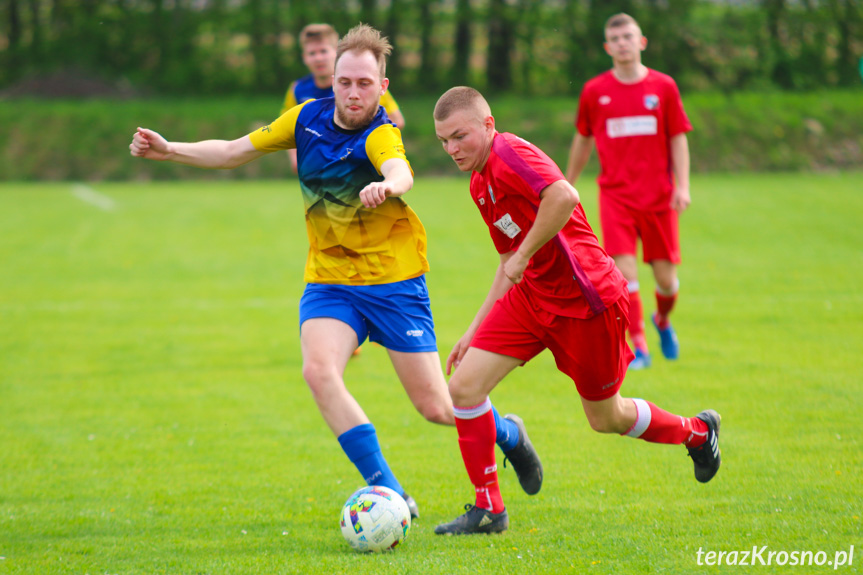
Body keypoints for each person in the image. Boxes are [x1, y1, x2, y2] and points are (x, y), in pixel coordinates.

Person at [129, 24, 541, 519]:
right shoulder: (305, 117)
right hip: (329, 281)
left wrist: (389, 188)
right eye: (345, 81)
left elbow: (400, 170)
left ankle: (509, 432)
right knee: (318, 371)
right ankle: (390, 491)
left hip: (394, 283)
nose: (352, 92)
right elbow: (236, 150)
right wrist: (170, 148)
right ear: (333, 80)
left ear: (381, 88)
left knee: (436, 408)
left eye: (364, 83)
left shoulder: (382, 132)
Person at [431, 86, 720, 535]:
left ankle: (697, 433)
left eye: (459, 136)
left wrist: (525, 253)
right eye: (443, 141)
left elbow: (563, 196)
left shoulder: (509, 153)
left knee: (607, 418)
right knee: (464, 387)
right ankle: (490, 509)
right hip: (531, 299)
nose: (451, 149)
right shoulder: (479, 182)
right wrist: (474, 330)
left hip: (586, 303)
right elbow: (509, 262)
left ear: (488, 126)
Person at [565, 13, 692, 370]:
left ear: (642, 42)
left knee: (666, 282)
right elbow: (583, 139)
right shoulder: (595, 91)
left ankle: (662, 321)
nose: (622, 43)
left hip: (659, 197)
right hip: (616, 197)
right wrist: (567, 182)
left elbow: (678, 136)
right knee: (625, 273)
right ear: (608, 47)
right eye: (615, 39)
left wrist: (683, 186)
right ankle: (639, 347)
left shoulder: (664, 87)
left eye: (628, 37)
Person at [281, 23, 406, 175]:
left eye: (323, 51)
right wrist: (296, 158)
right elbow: (288, 129)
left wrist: (363, 147)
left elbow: (397, 121)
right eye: (312, 53)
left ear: (336, 53)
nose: (318, 58)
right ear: (304, 57)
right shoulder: (297, 89)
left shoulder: (366, 85)